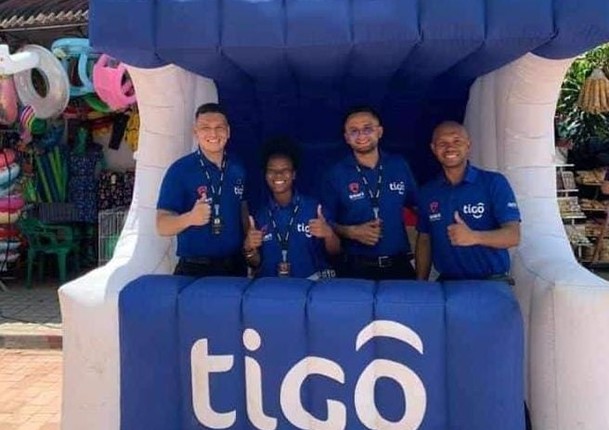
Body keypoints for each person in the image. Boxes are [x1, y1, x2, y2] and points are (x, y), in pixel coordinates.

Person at [415, 120, 521, 282]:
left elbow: (513, 236)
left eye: (457, 141)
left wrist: (474, 237)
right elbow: (424, 239)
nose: (450, 148)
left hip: (490, 283)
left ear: (468, 145)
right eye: (442, 143)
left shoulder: (493, 183)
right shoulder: (428, 192)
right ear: (433, 149)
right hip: (448, 284)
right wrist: (420, 283)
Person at [322, 106, 418, 280]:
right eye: (354, 131)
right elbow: (326, 222)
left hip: (398, 265)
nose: (361, 135)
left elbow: (419, 206)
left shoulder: (398, 165)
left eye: (367, 129)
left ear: (379, 132)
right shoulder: (336, 173)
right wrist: (351, 232)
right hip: (355, 267)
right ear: (346, 138)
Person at [156, 102, 248, 277]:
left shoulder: (238, 167)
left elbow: (242, 208)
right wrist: (190, 218)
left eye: (219, 127)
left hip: (235, 267)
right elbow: (161, 225)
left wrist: (249, 243)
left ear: (228, 132)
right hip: (195, 269)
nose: (213, 133)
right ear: (196, 132)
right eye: (205, 127)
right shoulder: (180, 170)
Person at [243, 137, 340, 279]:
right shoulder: (260, 215)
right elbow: (255, 263)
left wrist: (329, 234)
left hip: (310, 285)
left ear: (294, 174)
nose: (278, 175)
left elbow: (336, 251)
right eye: (272, 170)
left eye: (285, 170)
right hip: (271, 286)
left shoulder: (314, 209)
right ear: (265, 175)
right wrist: (249, 249)